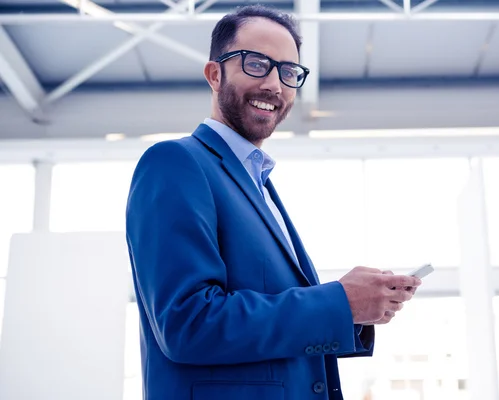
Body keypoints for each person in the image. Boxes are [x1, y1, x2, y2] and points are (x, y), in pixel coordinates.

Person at [125, 4, 421, 400]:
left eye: (288, 72)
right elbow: (188, 324)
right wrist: (339, 302)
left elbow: (269, 336)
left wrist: (358, 312)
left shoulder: (258, 182)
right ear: (215, 74)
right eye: (256, 64)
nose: (275, 85)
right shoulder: (176, 162)